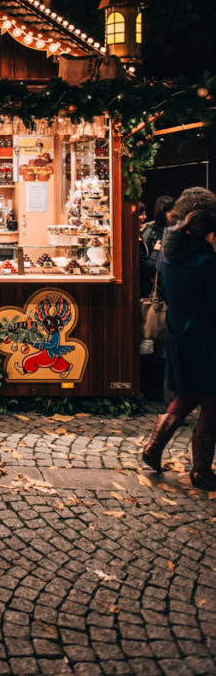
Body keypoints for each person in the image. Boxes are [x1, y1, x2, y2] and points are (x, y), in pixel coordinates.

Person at [141, 206, 216, 489]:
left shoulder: (169, 258)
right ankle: (201, 470)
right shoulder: (206, 261)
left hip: (177, 331)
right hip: (205, 334)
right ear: (207, 233)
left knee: (188, 392)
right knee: (211, 399)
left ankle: (154, 447)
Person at [139, 195, 175, 296]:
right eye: (170, 210)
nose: (173, 213)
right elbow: (147, 264)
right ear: (163, 213)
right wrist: (156, 252)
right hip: (155, 282)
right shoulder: (150, 231)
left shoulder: (174, 229)